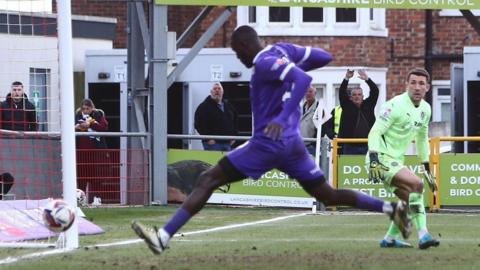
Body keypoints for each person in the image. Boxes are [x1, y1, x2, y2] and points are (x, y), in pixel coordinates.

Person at [131, 25, 411, 255]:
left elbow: (301, 80)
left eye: (235, 52)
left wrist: (283, 113)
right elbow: (323, 56)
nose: (238, 59)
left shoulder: (265, 62)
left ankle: (163, 236)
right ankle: (391, 208)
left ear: (242, 47)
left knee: (208, 179)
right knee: (327, 194)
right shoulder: (282, 51)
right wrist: (293, 63)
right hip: (293, 145)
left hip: (267, 143)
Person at [367, 67, 439, 249]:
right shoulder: (394, 105)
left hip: (395, 161)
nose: (417, 87)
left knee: (408, 200)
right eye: (413, 82)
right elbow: (375, 131)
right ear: (406, 85)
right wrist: (374, 159)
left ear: (427, 88)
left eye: (421, 83)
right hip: (380, 159)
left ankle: (389, 239)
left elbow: (422, 139)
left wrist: (427, 168)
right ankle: (424, 235)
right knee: (417, 184)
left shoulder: (426, 109)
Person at [75, 99, 109, 202]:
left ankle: (97, 198)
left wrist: (90, 124)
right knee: (81, 176)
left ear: (92, 108)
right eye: (83, 108)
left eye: (87, 108)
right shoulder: (77, 116)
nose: (85, 111)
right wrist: (77, 127)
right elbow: (70, 127)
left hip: (95, 151)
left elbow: (104, 127)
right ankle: (81, 199)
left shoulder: (98, 115)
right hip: (81, 151)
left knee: (96, 176)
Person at [338, 69, 378, 155]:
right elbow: (341, 92)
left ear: (363, 96)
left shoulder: (369, 105)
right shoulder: (347, 106)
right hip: (350, 147)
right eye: (354, 95)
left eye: (359, 94)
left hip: (368, 145)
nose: (357, 97)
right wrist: (346, 78)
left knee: (369, 168)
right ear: (351, 97)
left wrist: (367, 79)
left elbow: (375, 91)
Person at [194, 82, 238, 151]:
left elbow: (235, 121)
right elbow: (198, 124)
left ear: (222, 92)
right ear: (211, 92)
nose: (217, 90)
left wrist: (234, 136)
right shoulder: (203, 106)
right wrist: (208, 139)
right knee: (212, 162)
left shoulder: (228, 105)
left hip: (228, 143)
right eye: (215, 89)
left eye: (219, 89)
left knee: (226, 162)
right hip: (212, 144)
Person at [300, 85, 319, 155]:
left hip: (311, 147)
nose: (308, 93)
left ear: (315, 93)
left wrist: (315, 143)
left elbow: (324, 128)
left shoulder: (319, 108)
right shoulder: (301, 108)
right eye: (306, 92)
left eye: (310, 92)